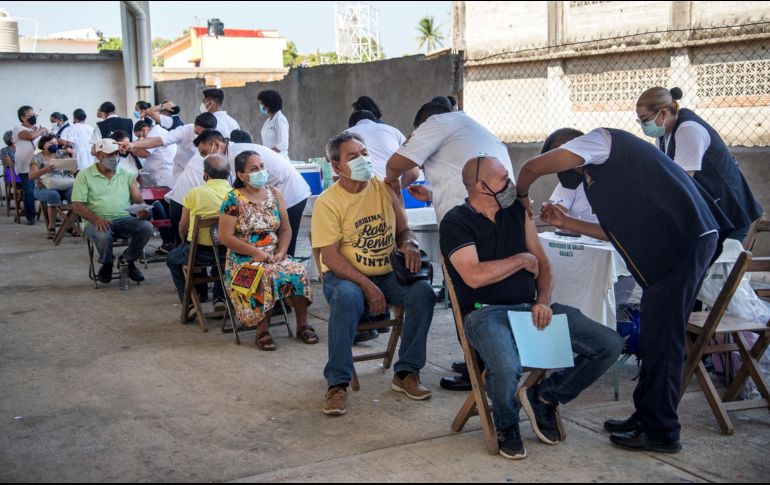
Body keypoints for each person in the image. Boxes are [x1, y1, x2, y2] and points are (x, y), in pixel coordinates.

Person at [519, 126, 732, 453]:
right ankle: (646, 416)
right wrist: (566, 223)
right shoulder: (599, 180)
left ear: (575, 148)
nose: (564, 170)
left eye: (564, 160)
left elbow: (531, 168)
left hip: (685, 241)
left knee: (664, 340)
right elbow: (612, 231)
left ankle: (662, 430)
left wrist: (521, 196)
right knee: (652, 337)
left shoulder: (603, 142)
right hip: (670, 248)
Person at [440, 155, 622, 460]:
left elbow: (544, 265)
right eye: (502, 179)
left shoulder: (515, 211)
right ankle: (507, 423)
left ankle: (544, 397)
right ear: (481, 187)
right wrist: (522, 261)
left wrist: (542, 300)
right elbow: (473, 276)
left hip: (529, 308)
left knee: (608, 344)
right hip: (485, 313)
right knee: (506, 366)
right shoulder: (456, 222)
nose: (511, 185)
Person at [385, 100, 515, 392]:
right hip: (497, 222)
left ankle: (476, 372)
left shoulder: (439, 123)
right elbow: (461, 179)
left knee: (465, 298)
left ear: (424, 124)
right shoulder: (474, 129)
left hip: (467, 229)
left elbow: (397, 163)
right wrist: (432, 195)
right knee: (490, 295)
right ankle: (481, 360)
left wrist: (390, 183)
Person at [312, 132, 434, 416]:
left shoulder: (383, 188)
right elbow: (330, 256)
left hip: (389, 272)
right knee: (346, 298)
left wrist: (409, 244)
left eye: (365, 153)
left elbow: (405, 229)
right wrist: (368, 286)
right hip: (346, 276)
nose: (364, 160)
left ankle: (407, 373)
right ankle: (337, 383)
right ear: (337, 166)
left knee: (423, 294)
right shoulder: (328, 202)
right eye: (353, 156)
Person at [636, 87, 763, 243]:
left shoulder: (688, 129)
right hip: (712, 214)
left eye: (644, 119)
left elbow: (681, 182)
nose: (642, 124)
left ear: (663, 113)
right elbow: (662, 174)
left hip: (729, 212)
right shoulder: (664, 134)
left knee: (715, 263)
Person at [218, 150, 316, 350]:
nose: (260, 171)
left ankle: (302, 325)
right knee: (264, 275)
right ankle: (262, 331)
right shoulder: (232, 199)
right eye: (254, 169)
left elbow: (286, 229)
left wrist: (281, 252)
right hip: (243, 260)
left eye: (262, 167)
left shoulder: (274, 193)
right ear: (241, 175)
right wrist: (256, 253)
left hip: (274, 256)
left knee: (298, 271)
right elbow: (225, 236)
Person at [194, 129, 311, 257]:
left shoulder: (237, 156)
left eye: (205, 153)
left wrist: (281, 253)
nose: (206, 158)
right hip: (281, 190)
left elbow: (285, 230)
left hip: (290, 191)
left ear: (216, 145)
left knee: (284, 247)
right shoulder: (235, 155)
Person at [120, 112, 219, 247]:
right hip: (181, 174)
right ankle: (177, 245)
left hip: (204, 177)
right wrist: (133, 145)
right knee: (178, 213)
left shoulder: (217, 140)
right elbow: (160, 140)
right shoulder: (185, 130)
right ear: (194, 126)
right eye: (197, 132)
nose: (199, 136)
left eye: (203, 134)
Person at [72, 138, 153, 284]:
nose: (113, 158)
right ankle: (107, 263)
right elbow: (77, 205)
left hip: (123, 218)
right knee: (103, 234)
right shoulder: (84, 175)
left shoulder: (126, 174)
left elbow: (138, 199)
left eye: (116, 154)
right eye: (109, 155)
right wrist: (96, 219)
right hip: (95, 220)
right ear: (98, 155)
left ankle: (127, 261)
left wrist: (142, 209)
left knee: (146, 227)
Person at [167, 154, 232, 316]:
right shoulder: (235, 195)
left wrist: (183, 241)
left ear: (205, 173)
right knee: (221, 262)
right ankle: (220, 298)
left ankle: (189, 304)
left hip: (198, 254)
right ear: (229, 173)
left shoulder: (194, 193)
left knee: (172, 260)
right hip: (229, 253)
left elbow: (183, 225)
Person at [28, 134, 77, 238]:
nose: (54, 145)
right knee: (53, 195)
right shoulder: (36, 158)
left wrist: (73, 155)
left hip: (63, 184)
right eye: (51, 143)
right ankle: (52, 226)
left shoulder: (61, 154)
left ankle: (70, 224)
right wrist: (46, 169)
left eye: (55, 143)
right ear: (43, 145)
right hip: (44, 187)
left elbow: (73, 171)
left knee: (74, 193)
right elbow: (31, 176)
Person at [346, 110, 413, 180]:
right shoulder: (393, 130)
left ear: (352, 126)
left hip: (359, 187)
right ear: (375, 121)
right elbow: (412, 173)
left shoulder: (345, 135)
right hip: (390, 183)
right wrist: (395, 188)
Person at [13, 105, 49, 225]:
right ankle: (30, 216)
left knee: (49, 187)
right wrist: (41, 130)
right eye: (30, 116)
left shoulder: (35, 129)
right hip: (24, 165)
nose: (34, 118)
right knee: (29, 190)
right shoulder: (18, 128)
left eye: (34, 115)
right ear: (23, 118)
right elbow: (30, 136)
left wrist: (42, 131)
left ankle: (53, 213)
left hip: (39, 163)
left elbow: (46, 139)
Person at [131, 120, 176, 188]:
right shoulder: (158, 131)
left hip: (164, 174)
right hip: (164, 172)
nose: (140, 139)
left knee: (164, 196)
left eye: (139, 136)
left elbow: (144, 153)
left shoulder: (152, 134)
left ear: (144, 129)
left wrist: (130, 148)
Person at [257, 90, 290, 158]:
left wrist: (267, 153)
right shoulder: (267, 122)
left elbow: (283, 145)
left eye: (262, 104)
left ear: (268, 105)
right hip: (270, 157)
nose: (261, 106)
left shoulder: (280, 119)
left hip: (279, 158)